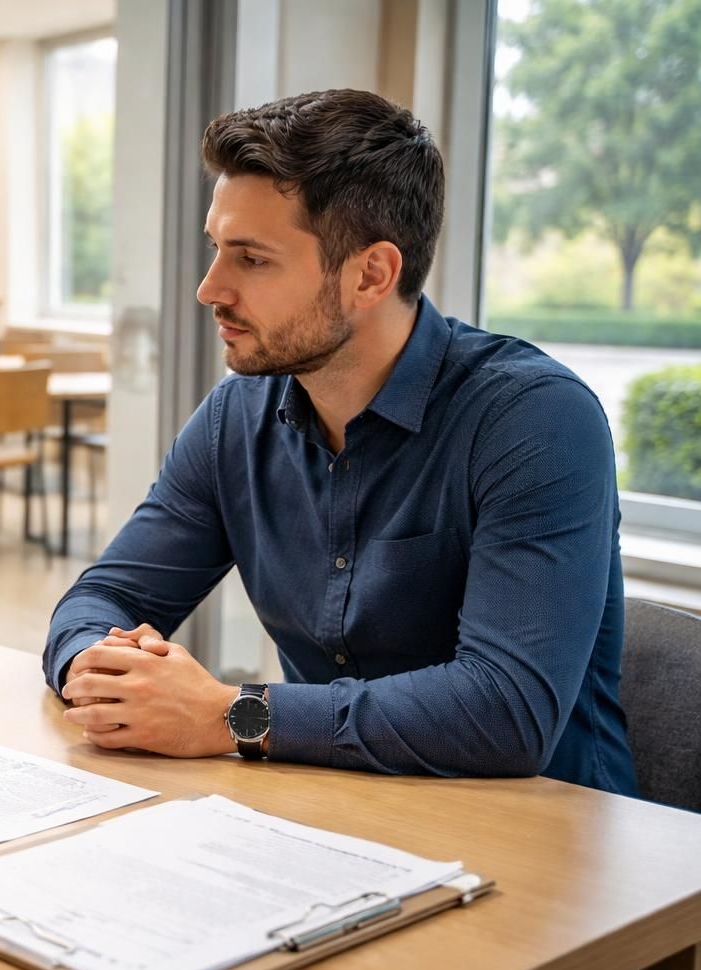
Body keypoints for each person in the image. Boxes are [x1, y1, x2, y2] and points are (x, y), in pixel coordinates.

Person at [44, 89, 639, 795]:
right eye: (216, 251)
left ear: (370, 274)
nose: (210, 289)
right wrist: (97, 665)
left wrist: (233, 715)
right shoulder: (238, 416)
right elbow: (105, 597)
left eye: (251, 259)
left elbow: (505, 711)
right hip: (338, 807)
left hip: (547, 837)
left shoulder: (533, 419)